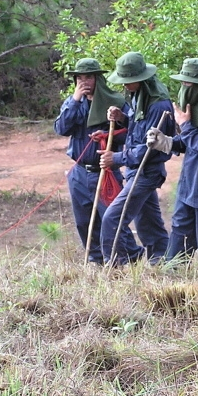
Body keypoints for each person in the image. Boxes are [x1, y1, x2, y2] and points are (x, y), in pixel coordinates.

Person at [146, 58, 198, 266]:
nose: (184, 89)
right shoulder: (194, 111)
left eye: (188, 85)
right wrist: (166, 143)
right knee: (177, 244)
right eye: (182, 83)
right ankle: (172, 285)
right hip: (188, 186)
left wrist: (184, 125)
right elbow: (189, 143)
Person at [54, 58, 138, 264]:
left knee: (112, 219)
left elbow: (132, 133)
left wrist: (109, 134)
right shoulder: (72, 102)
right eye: (80, 78)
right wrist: (74, 100)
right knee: (84, 222)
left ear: (98, 78)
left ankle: (125, 261)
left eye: (89, 77)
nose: (84, 82)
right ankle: (96, 261)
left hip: (106, 171)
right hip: (79, 172)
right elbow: (61, 128)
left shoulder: (115, 102)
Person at [101, 52, 175, 265]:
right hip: (136, 170)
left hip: (147, 171)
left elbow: (151, 147)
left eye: (128, 81)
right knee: (148, 223)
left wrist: (116, 158)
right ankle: (162, 263)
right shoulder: (138, 94)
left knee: (113, 219)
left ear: (140, 78)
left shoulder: (159, 104)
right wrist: (122, 118)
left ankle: (115, 267)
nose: (124, 85)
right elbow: (138, 131)